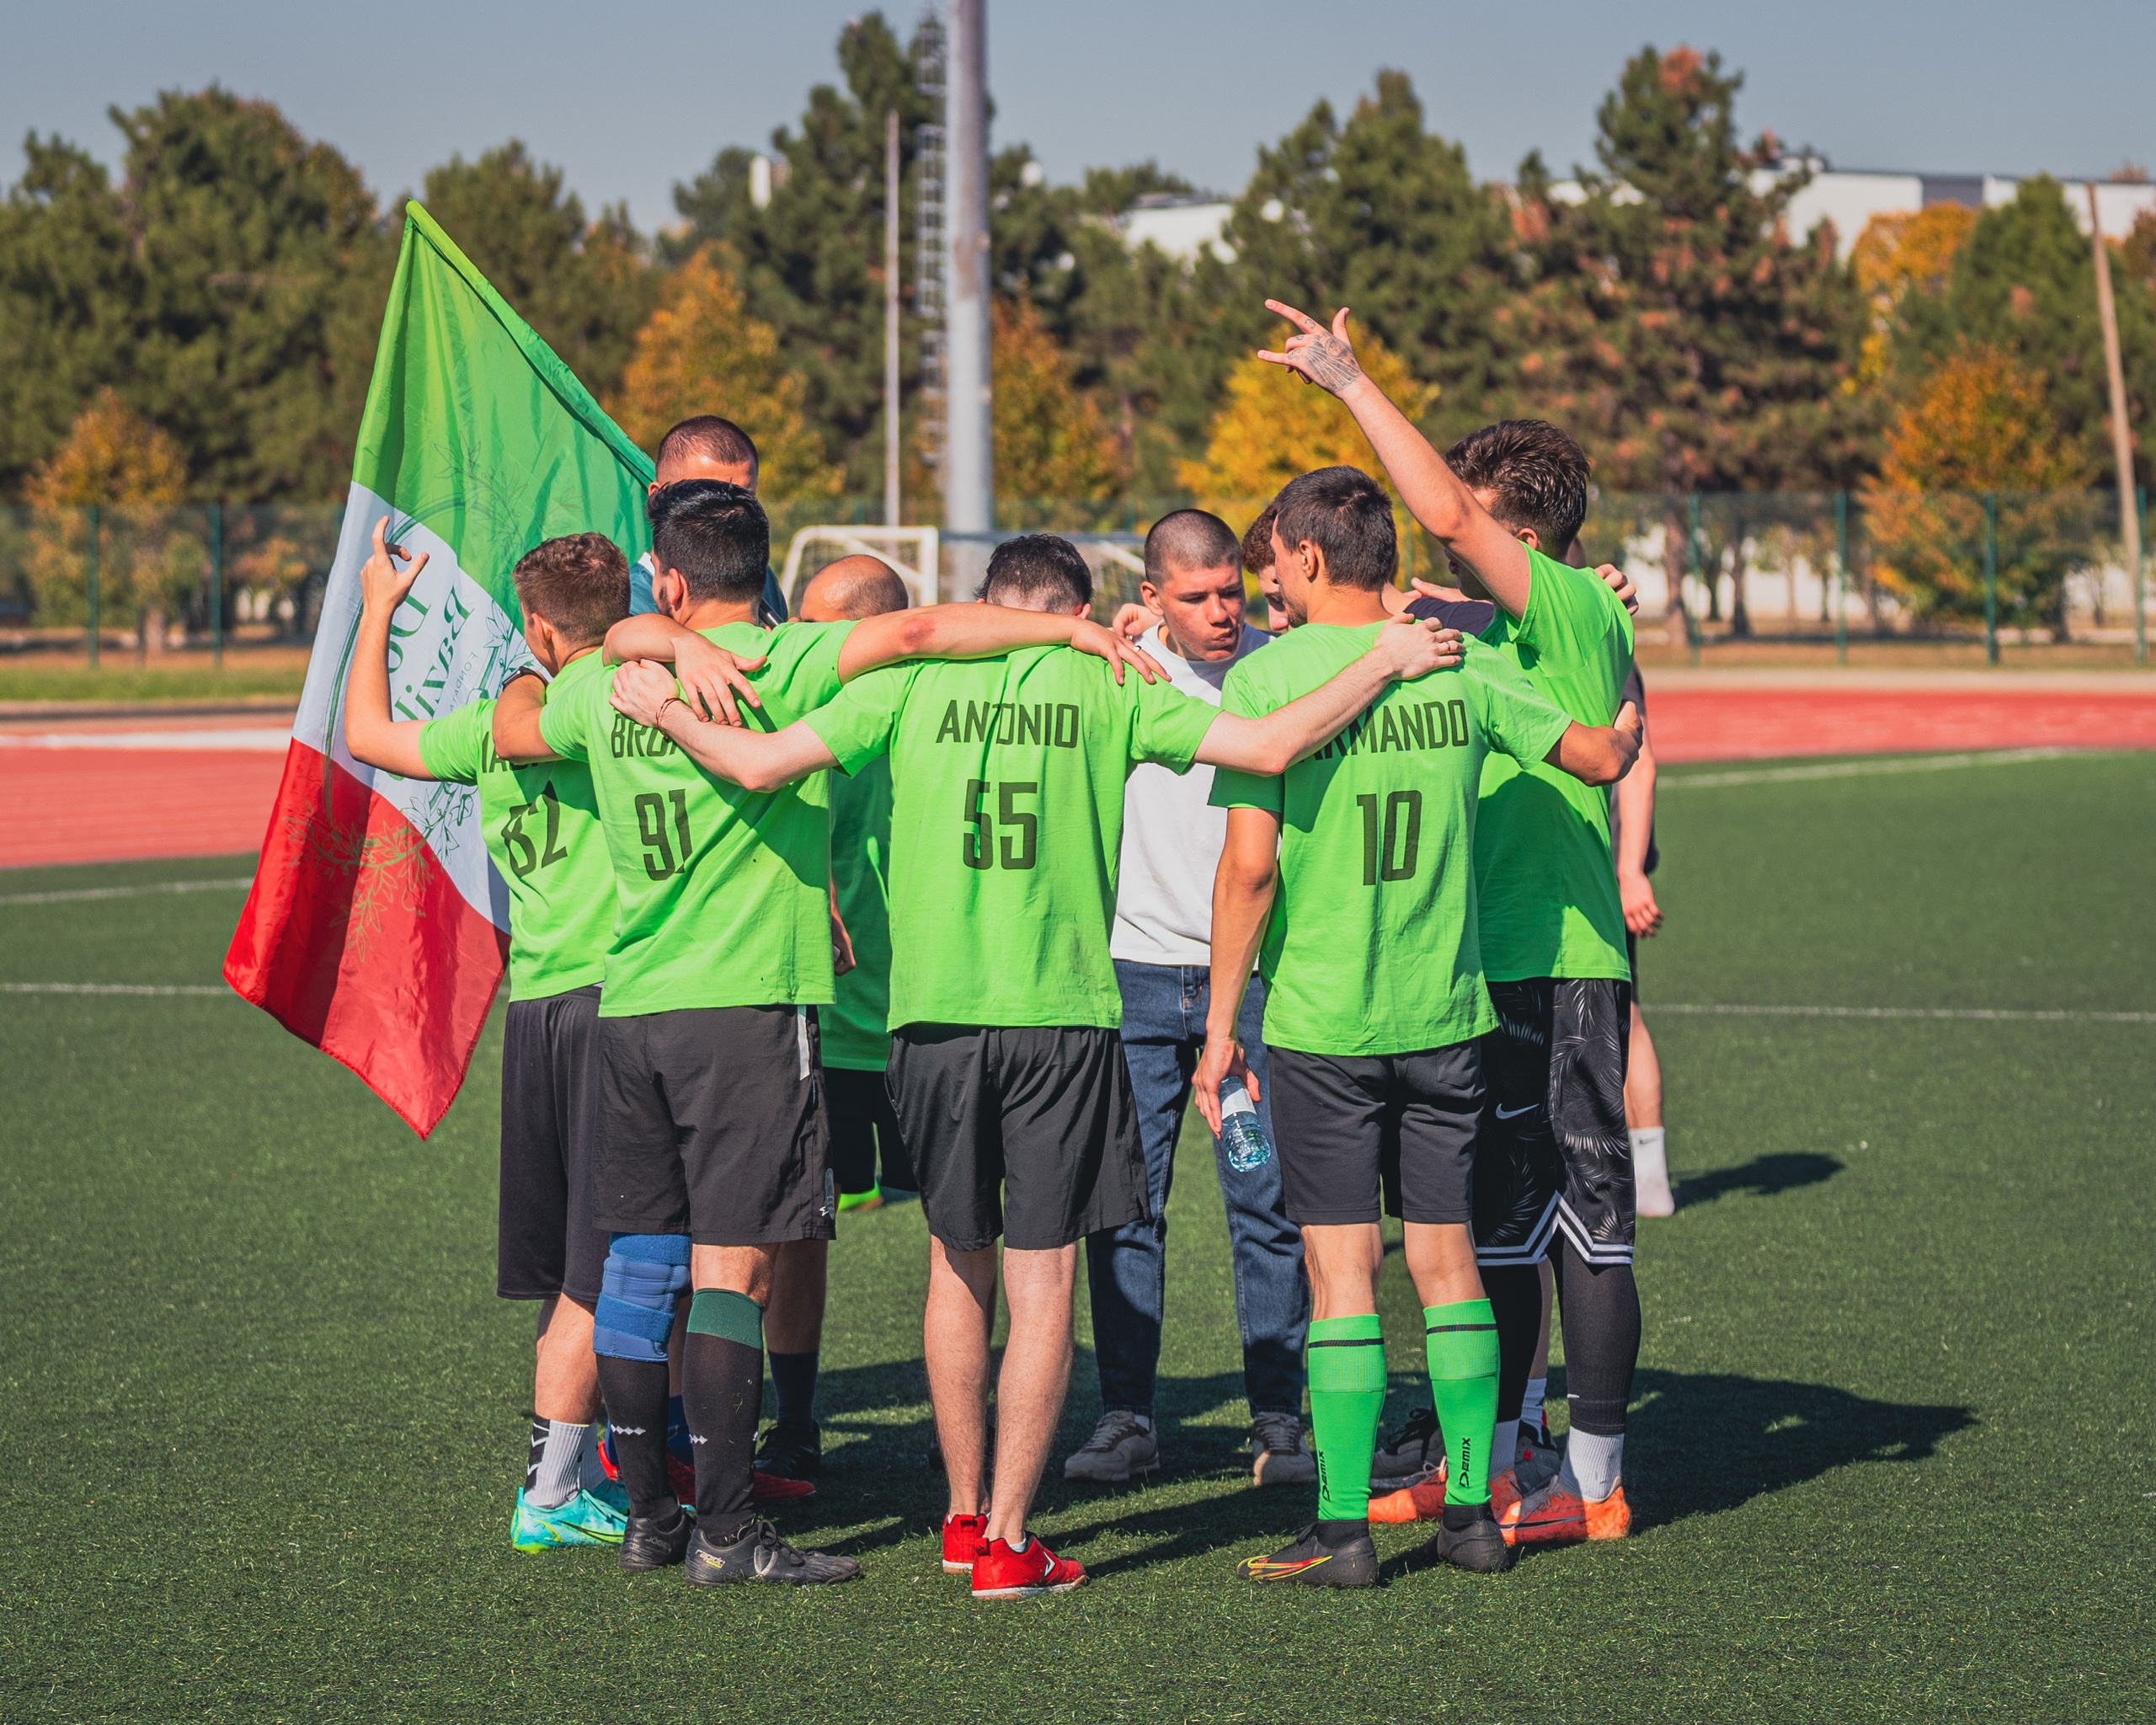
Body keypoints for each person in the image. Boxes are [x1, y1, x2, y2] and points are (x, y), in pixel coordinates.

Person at [602, 531, 1468, 1598]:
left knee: (953, 1264)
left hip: (931, 1022)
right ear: (1079, 608)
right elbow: (1275, 745)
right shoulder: (1107, 679)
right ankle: (1012, 1539)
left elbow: (757, 764)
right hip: (1061, 1017)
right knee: (1043, 1274)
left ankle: (963, 1517)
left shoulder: (911, 684)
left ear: (988, 603)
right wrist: (1379, 662)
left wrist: (665, 703)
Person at [493, 485, 1168, 1589]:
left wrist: (637, 647)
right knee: (733, 1266)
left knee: (638, 1261)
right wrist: (1074, 627)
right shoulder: (793, 662)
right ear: (761, 581)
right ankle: (726, 1526)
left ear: (667, 579)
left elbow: (514, 729)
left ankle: (648, 1517)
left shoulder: (603, 685)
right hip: (750, 1001)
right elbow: (917, 631)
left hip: (626, 1004)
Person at [1194, 464, 1641, 1589]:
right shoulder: (1462, 669)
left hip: (1325, 1019)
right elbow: (1595, 754)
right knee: (1448, 1265)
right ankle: (1476, 1521)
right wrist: (1623, 710)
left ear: (1300, 560)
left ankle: (1343, 1530)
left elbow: (1250, 870)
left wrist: (1216, 1027)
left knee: (1342, 1274)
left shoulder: (1270, 678)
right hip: (1448, 1013)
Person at [341, 520, 629, 1554]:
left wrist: (377, 606)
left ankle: (588, 1469)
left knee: (580, 1269)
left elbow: (370, 735)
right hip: (618, 1007)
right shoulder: (617, 710)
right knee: (613, 1267)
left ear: (537, 628)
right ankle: (557, 1487)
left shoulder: (506, 717)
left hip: (539, 1011)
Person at [1064, 509, 1312, 1491]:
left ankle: (1282, 1419)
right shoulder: (1115, 667)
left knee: (1266, 1200)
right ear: (1151, 598)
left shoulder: (1277, 667)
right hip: (1130, 979)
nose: (1222, 611)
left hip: (1245, 987)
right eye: (1197, 596)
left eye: (1230, 592)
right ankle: (1127, 1417)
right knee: (1126, 1206)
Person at [751, 554, 924, 1487]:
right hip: (826, 1019)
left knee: (967, 1226)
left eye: (815, 627)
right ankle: (797, 1416)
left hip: (940, 1016)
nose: (794, 642)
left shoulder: (943, 701)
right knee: (797, 1226)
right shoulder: (804, 704)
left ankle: (969, 1416)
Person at [1611, 664, 1673, 1216]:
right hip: (1586, 859)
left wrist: (1629, 870)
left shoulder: (1598, 636)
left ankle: (1649, 1178)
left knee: (1620, 1016)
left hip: (1595, 863)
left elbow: (1640, 763)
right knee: (1619, 1015)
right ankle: (1647, 1178)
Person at [630, 416, 790, 625]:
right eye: (707, 499)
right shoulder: (626, 605)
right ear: (658, 495)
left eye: (744, 499)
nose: (728, 514)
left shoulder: (761, 579)